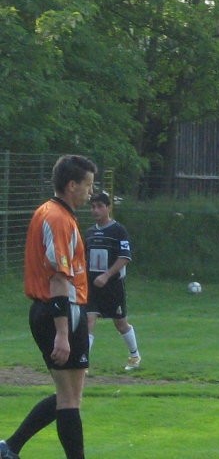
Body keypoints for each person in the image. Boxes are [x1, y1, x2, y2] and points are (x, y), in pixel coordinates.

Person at [1, 154, 97, 459]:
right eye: (88, 185)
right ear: (72, 185)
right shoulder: (56, 218)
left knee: (69, 396)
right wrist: (62, 333)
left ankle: (10, 447)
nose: (91, 192)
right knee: (69, 399)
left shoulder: (56, 213)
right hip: (59, 310)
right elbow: (57, 277)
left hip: (64, 309)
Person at [85, 192, 141, 371]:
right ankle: (82, 362)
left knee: (120, 323)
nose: (96, 210)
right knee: (89, 320)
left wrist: (107, 275)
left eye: (100, 206)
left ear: (108, 208)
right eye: (93, 206)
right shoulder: (89, 232)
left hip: (113, 285)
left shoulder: (118, 230)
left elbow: (125, 257)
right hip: (92, 286)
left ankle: (134, 355)